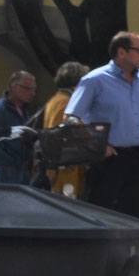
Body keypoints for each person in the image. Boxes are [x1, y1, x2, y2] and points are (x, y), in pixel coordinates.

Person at [64, 32, 139, 219]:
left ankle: (131, 249)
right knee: (101, 214)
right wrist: (98, 144)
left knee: (134, 215)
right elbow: (71, 117)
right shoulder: (94, 80)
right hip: (107, 159)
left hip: (138, 158)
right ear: (122, 52)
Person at [0, 70, 41, 185]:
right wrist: (9, 162)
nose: (33, 93)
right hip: (5, 173)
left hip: (23, 172)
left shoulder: (24, 111)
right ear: (14, 87)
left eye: (34, 89)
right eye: (28, 89)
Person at [41, 61, 89, 198]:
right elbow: (63, 135)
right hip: (65, 169)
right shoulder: (66, 102)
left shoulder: (56, 99)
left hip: (61, 166)